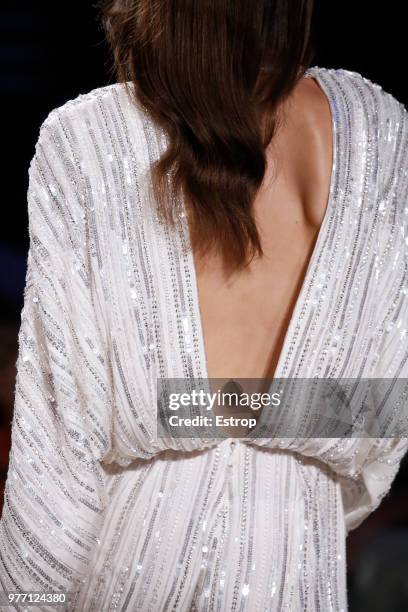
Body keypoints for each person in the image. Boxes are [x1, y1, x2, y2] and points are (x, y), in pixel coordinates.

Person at [1, 1, 408, 610]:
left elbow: (57, 464)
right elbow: (376, 417)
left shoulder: (88, 140)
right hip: (295, 567)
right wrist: (267, 422)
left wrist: (182, 406)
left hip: (130, 565)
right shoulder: (375, 132)